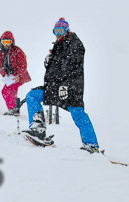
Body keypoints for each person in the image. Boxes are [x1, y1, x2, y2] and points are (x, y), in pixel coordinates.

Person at [23, 18, 100, 153]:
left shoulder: (74, 43)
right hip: (55, 87)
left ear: (67, 30)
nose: (58, 33)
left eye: (61, 30)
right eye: (55, 31)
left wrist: (65, 85)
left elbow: (72, 66)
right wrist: (49, 61)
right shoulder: (59, 45)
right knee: (32, 96)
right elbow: (58, 67)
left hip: (70, 88)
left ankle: (91, 145)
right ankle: (38, 129)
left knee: (78, 113)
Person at [0, 31, 31, 115]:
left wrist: (19, 75)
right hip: (10, 76)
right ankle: (13, 109)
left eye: (8, 42)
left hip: (19, 76)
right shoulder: (1, 53)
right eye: (4, 42)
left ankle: (13, 109)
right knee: (7, 91)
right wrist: (4, 74)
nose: (6, 44)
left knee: (8, 91)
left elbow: (23, 64)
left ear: (12, 42)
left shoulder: (17, 51)